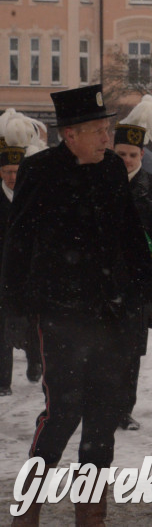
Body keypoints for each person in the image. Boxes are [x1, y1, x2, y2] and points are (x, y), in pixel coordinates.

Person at [0, 85, 152, 526]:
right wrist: (13, 309)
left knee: (104, 413)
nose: (107, 139)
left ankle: (91, 513)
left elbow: (130, 232)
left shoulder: (110, 168)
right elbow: (19, 243)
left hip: (113, 313)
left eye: (106, 129)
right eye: (98, 131)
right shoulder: (39, 170)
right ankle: (27, 508)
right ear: (70, 134)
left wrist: (147, 293)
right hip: (61, 314)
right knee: (63, 411)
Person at [113, 122, 152, 432]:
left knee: (131, 350)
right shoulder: (96, 182)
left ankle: (124, 409)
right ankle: (97, 405)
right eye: (121, 153)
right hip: (101, 278)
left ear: (142, 154)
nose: (126, 159)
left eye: (132, 154)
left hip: (140, 280)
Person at [0, 142, 43, 396]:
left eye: (16, 171)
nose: (12, 177)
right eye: (6, 171)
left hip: (28, 273)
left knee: (31, 321)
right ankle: (3, 381)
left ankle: (35, 359)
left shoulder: (33, 197)